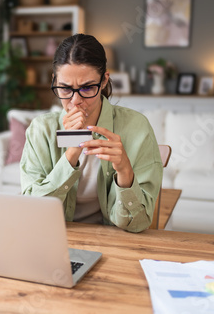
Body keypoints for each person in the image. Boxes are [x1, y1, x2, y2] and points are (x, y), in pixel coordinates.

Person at [20, 34, 163, 233]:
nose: (75, 100)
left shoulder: (137, 127)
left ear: (104, 80)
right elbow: (32, 214)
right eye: (65, 88)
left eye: (87, 88)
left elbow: (138, 223)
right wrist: (71, 153)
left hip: (114, 238)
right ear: (55, 81)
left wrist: (124, 171)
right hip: (56, 237)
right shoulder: (41, 130)